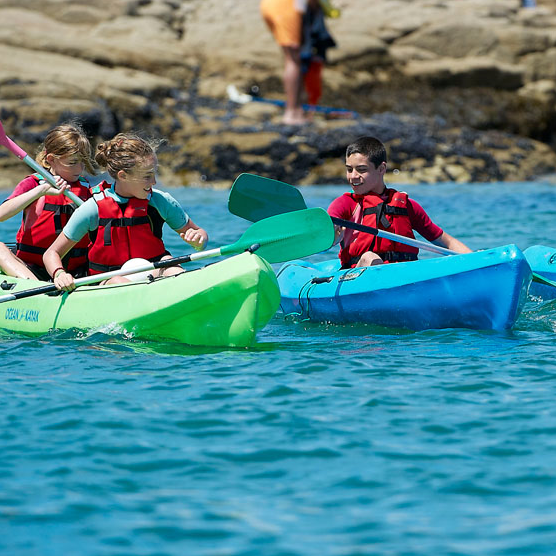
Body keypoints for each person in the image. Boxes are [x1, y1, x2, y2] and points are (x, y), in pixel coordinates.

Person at [44, 133, 208, 291]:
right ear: (123, 176)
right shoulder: (92, 209)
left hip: (154, 270)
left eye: (153, 174)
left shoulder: (160, 201)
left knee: (171, 266)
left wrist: (198, 239)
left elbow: (197, 232)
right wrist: (59, 273)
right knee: (119, 282)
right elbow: (51, 253)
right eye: (147, 176)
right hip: (109, 279)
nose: (154, 182)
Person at [328, 136, 472, 269]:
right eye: (349, 169)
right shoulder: (345, 204)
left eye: (361, 170)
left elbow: (447, 243)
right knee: (369, 257)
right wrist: (334, 236)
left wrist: (478, 260)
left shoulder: (407, 206)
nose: (353, 176)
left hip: (403, 273)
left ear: (381, 169)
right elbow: (326, 233)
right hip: (359, 273)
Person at [0, 123, 96, 281]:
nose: (79, 168)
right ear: (51, 159)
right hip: (32, 270)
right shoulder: (33, 184)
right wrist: (41, 190)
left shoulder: (86, 188)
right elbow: (2, 214)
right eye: (72, 163)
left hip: (75, 272)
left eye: (82, 162)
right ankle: (36, 288)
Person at [260, 0, 321, 124]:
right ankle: (292, 112)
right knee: (293, 60)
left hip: (268, 5)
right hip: (286, 8)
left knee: (291, 58)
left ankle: (296, 109)